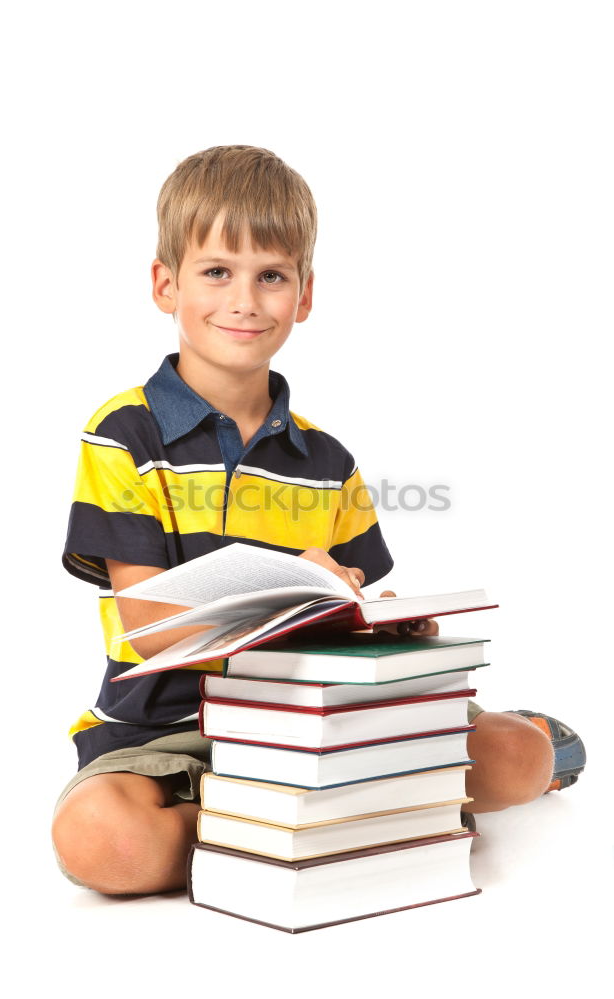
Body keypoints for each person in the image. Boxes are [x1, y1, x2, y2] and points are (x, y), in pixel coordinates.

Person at [52, 145, 585, 895]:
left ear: (303, 295)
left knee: (516, 757)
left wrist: (377, 621)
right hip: (166, 728)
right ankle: (325, 820)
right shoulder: (125, 435)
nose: (244, 300)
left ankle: (330, 806)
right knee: (102, 842)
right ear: (165, 284)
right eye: (216, 272)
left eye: (271, 276)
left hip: (311, 718)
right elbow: (147, 627)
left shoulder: (328, 459)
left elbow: (353, 601)